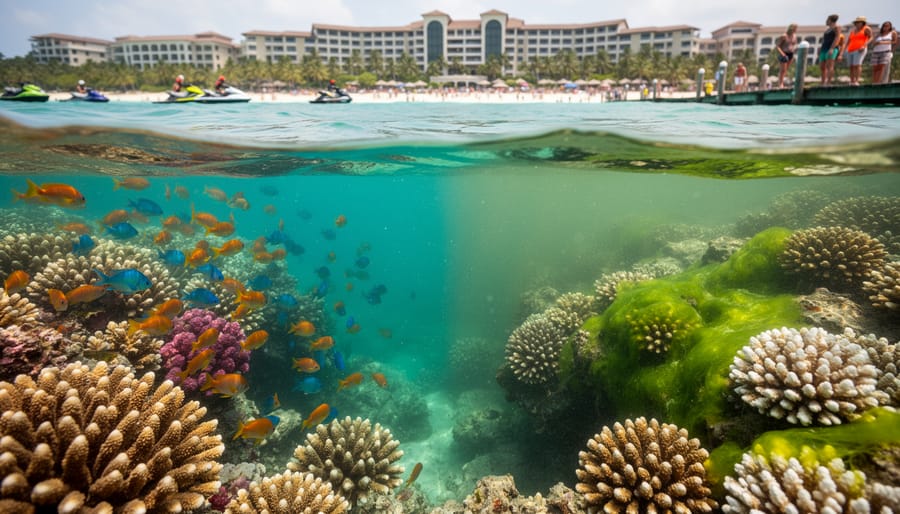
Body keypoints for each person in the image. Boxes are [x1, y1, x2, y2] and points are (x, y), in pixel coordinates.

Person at [843, 16, 873, 85]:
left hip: (860, 49)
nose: (857, 23)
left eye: (859, 22)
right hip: (850, 50)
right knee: (851, 66)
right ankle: (852, 81)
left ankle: (856, 80)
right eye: (856, 22)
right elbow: (848, 41)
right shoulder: (853, 31)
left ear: (863, 23)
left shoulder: (866, 29)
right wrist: (845, 50)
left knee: (857, 65)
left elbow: (871, 37)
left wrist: (864, 45)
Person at [818, 15, 842, 86]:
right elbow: (824, 40)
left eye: (827, 19)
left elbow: (837, 38)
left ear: (831, 20)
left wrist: (832, 48)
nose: (826, 21)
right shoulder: (827, 30)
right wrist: (820, 48)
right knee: (822, 66)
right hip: (824, 49)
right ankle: (823, 82)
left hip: (831, 48)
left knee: (829, 66)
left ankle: (828, 82)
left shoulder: (836, 27)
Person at [775, 24, 799, 88]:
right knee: (783, 70)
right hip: (784, 53)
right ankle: (780, 84)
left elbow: (794, 44)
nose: (796, 30)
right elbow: (777, 46)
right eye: (795, 28)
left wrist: (794, 49)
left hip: (791, 54)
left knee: (785, 70)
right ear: (792, 28)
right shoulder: (784, 36)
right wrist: (783, 54)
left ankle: (781, 82)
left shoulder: (794, 36)